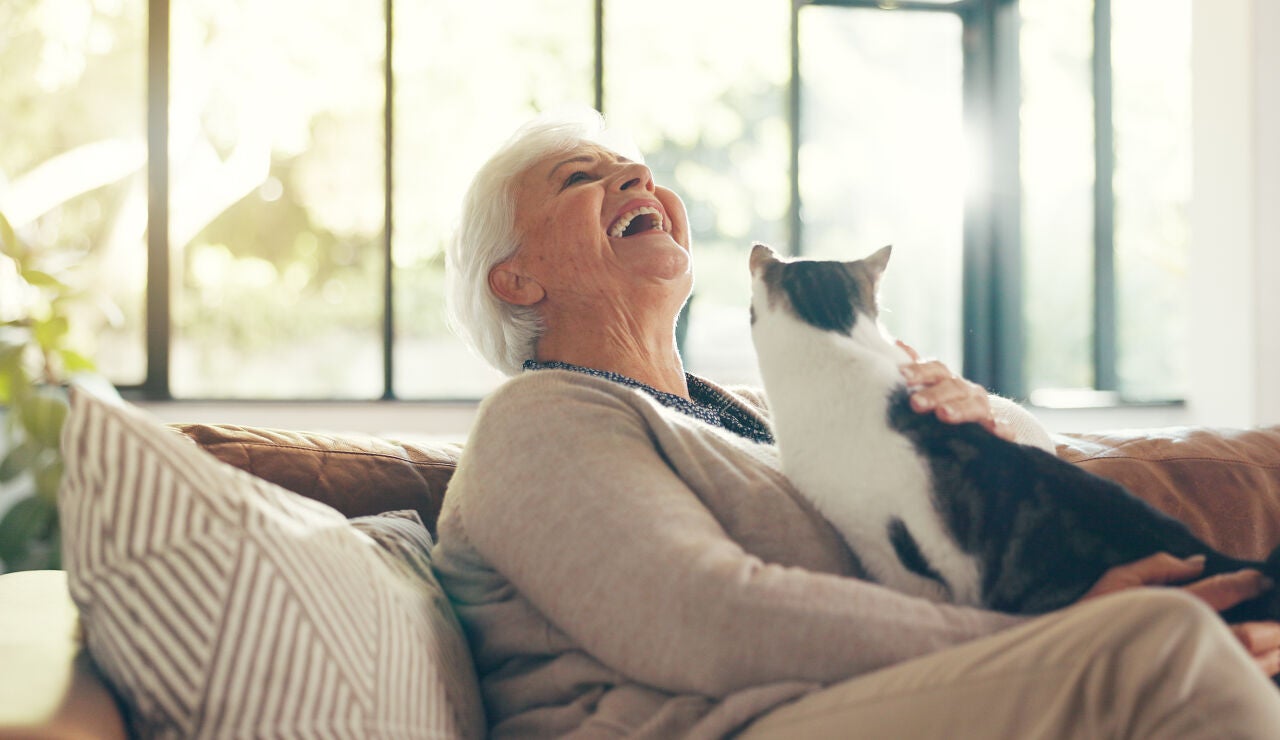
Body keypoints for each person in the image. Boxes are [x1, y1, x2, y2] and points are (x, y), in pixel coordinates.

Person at [430, 109, 1280, 739]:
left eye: (640, 172)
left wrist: (979, 424)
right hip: (711, 723)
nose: (637, 182)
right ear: (516, 279)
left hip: (862, 699)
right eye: (580, 178)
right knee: (1164, 646)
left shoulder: (760, 412)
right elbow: (705, 617)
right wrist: (1057, 637)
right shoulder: (540, 417)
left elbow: (999, 503)